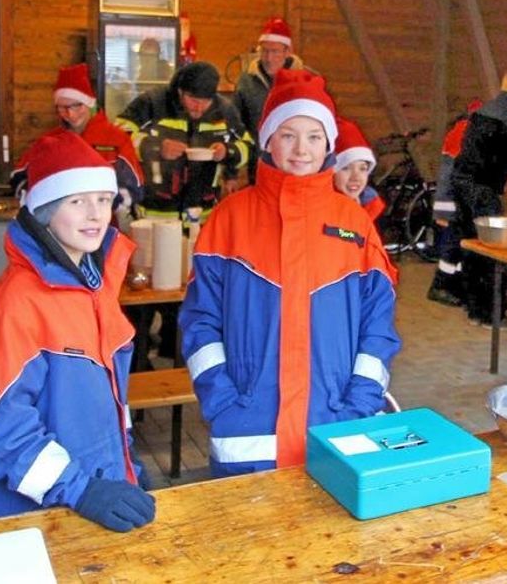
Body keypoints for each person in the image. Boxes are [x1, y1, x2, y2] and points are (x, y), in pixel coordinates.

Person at [179, 69, 401, 477]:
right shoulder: (229, 218)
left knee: (334, 537)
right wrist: (223, 401)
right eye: (288, 135)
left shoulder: (354, 223)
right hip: (248, 431)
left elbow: (379, 326)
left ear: (329, 144)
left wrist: (360, 403)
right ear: (267, 141)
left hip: (338, 425)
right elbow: (199, 322)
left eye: (314, 136)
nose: (302, 149)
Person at [0, 131, 156, 532]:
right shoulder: (14, 306)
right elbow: (1, 431)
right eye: (77, 202)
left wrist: (124, 461)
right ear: (45, 210)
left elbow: (107, 401)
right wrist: (81, 490)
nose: (96, 215)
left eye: (102, 200)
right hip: (29, 524)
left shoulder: (95, 289)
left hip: (84, 508)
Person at [451, 66, 507, 326]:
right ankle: (492, 315)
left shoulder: (481, 112)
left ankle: (473, 308)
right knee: (491, 251)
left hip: (461, 184)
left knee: (470, 246)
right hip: (483, 190)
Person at [115, 61, 250, 219]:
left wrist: (228, 152)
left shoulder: (224, 110)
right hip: (153, 215)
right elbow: (118, 136)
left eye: (206, 102)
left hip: (203, 215)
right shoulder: (152, 102)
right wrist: (155, 147)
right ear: (180, 92)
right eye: (193, 100)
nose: (199, 108)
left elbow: (249, 146)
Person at [11, 63, 144, 218]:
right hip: (58, 227)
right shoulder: (49, 142)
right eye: (62, 108)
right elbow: (19, 178)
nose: (70, 114)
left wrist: (100, 211)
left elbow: (134, 187)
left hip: (107, 225)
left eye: (77, 106)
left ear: (89, 103)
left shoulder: (116, 139)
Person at [233, 17, 311, 184]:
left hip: (294, 166)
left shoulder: (306, 81)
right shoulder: (246, 82)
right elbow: (236, 126)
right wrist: (233, 171)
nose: (269, 58)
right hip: (258, 165)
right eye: (264, 51)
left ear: (287, 51)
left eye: (275, 52)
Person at [427, 98, 482, 307]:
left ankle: (455, 286)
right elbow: (449, 178)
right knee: (452, 247)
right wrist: (443, 212)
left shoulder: (464, 133)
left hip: (459, 205)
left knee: (459, 246)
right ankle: (440, 286)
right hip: (453, 205)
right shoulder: (463, 136)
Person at [333, 116, 385, 221]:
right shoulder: (320, 208)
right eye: (346, 168)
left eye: (363, 169)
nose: (356, 178)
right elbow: (344, 234)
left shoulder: (369, 206)